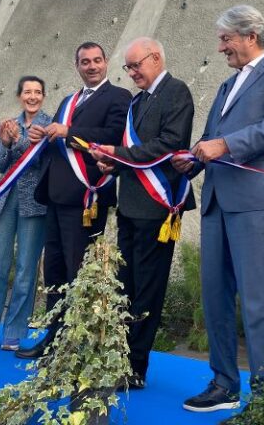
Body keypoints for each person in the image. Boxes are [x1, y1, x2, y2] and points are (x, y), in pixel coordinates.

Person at [173, 5, 264, 415]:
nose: (220, 48)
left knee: (256, 299)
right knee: (214, 296)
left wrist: (225, 145)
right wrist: (193, 159)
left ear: (250, 35)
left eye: (225, 39)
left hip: (255, 201)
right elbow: (211, 138)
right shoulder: (226, 86)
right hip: (216, 201)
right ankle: (224, 384)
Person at [91, 37, 196, 389]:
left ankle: (135, 367)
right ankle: (117, 355)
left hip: (158, 207)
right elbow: (132, 153)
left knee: (147, 289)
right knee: (126, 284)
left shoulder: (177, 92)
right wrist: (112, 166)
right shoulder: (137, 102)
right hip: (130, 205)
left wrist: (117, 152)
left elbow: (168, 144)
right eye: (128, 67)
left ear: (155, 58)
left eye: (136, 65)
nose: (132, 72)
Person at [17, 42, 131, 359]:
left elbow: (113, 135)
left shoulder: (119, 97)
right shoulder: (69, 100)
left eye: (97, 60)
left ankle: (75, 343)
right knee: (53, 271)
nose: (91, 66)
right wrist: (42, 136)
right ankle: (53, 337)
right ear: (76, 65)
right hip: (56, 197)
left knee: (77, 272)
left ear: (107, 63)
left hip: (86, 196)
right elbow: (60, 139)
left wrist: (68, 131)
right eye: (85, 62)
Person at [0, 76, 51, 351]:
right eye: (27, 92)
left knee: (26, 268)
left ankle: (15, 331)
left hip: (34, 203)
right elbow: (1, 166)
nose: (32, 97)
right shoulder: (10, 124)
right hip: (4, 200)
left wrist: (15, 142)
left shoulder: (48, 125)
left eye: (37, 92)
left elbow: (37, 161)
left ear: (43, 96)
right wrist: (4, 143)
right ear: (19, 96)